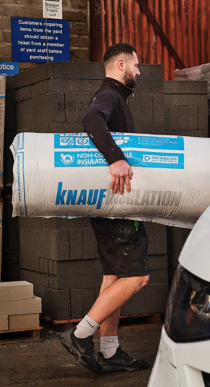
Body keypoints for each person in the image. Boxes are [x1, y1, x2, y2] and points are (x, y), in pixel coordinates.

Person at [59, 43, 151, 373]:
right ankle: (80, 334)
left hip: (111, 207)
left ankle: (111, 352)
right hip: (116, 208)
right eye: (136, 66)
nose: (139, 72)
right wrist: (117, 159)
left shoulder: (116, 98)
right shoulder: (109, 96)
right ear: (121, 64)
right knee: (137, 277)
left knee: (114, 276)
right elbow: (91, 119)